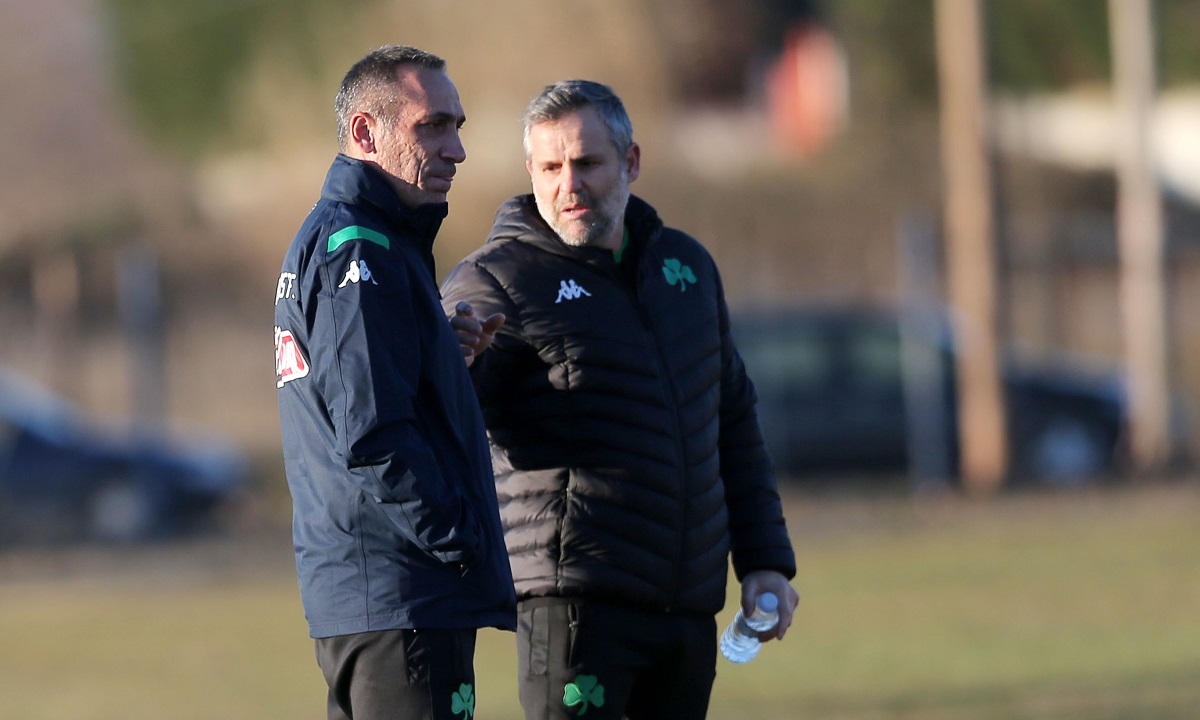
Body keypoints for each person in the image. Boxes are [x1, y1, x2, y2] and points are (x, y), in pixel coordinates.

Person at [442, 79, 799, 720]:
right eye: (550, 168)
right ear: (531, 173)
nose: (569, 185)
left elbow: (732, 420)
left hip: (686, 609)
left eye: (587, 163)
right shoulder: (497, 278)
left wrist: (766, 561)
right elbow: (444, 399)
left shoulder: (686, 268)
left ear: (631, 162)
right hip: (577, 607)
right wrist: (454, 359)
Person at [273, 45, 515, 720]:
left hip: (380, 596)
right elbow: (372, 433)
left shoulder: (369, 241)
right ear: (365, 132)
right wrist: (459, 536)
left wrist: (440, 353)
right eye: (432, 126)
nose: (456, 149)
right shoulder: (361, 247)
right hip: (401, 593)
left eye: (457, 126)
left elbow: (366, 389)